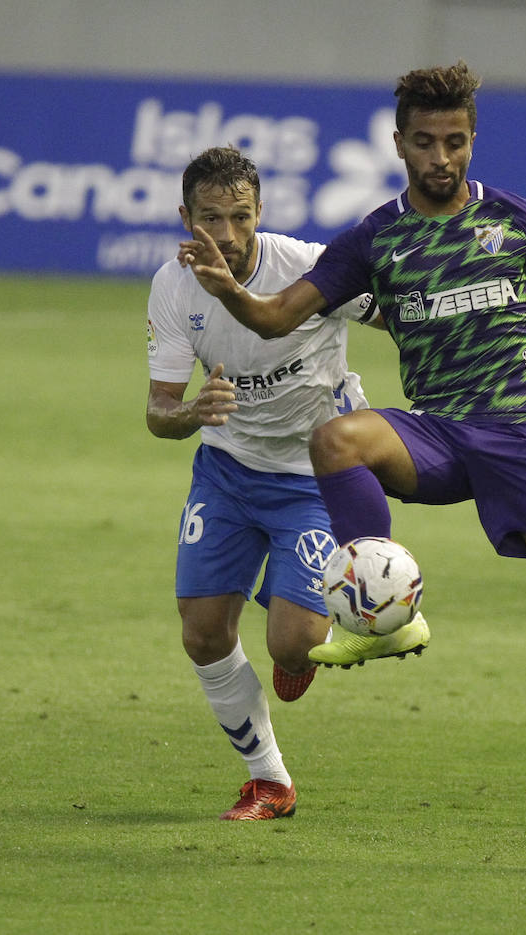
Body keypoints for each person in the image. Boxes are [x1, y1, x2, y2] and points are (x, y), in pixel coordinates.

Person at [180, 63, 526, 847]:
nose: (441, 157)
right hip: (439, 430)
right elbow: (274, 319)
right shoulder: (374, 238)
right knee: (336, 436)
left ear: (472, 141)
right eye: (425, 142)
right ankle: (378, 608)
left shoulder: (522, 222)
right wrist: (228, 288)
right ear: (399, 144)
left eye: (455, 141)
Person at [146, 146, 399, 821]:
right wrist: (190, 413)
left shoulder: (311, 269)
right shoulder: (171, 288)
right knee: (201, 633)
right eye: (209, 218)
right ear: (184, 217)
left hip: (316, 474)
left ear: (260, 213)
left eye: (240, 216)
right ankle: (270, 781)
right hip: (227, 471)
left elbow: (398, 314)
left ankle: (290, 603)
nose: (225, 234)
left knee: (291, 645)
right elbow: (158, 409)